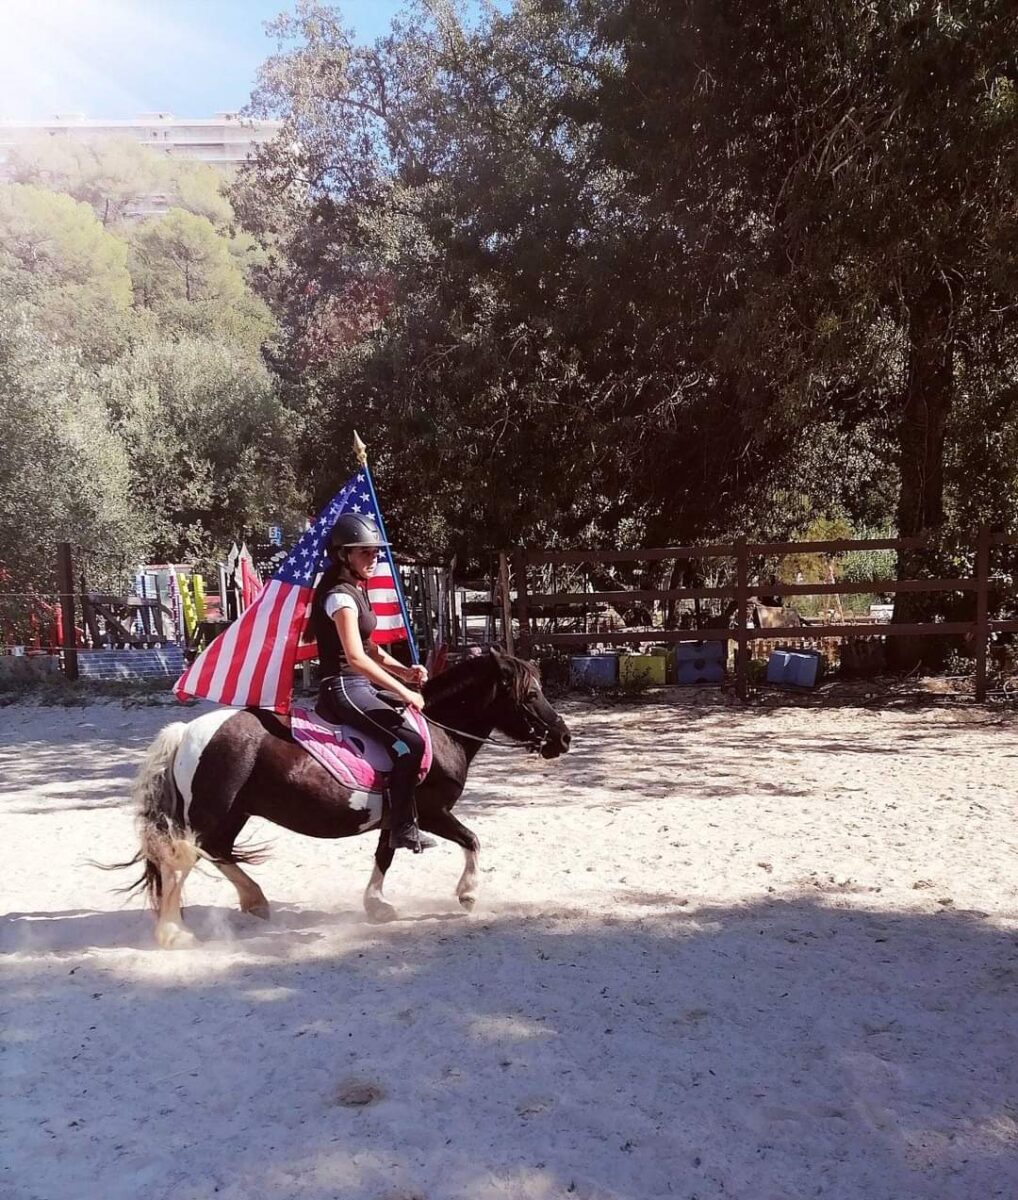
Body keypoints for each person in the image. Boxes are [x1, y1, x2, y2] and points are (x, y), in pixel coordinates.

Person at [311, 512, 435, 853]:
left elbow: (372, 649)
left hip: (359, 686)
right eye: (365, 552)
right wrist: (404, 691)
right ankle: (402, 827)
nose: (374, 558)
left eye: (376, 552)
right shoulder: (340, 597)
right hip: (344, 689)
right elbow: (355, 658)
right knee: (409, 743)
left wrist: (404, 672)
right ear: (343, 555)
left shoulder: (356, 590)